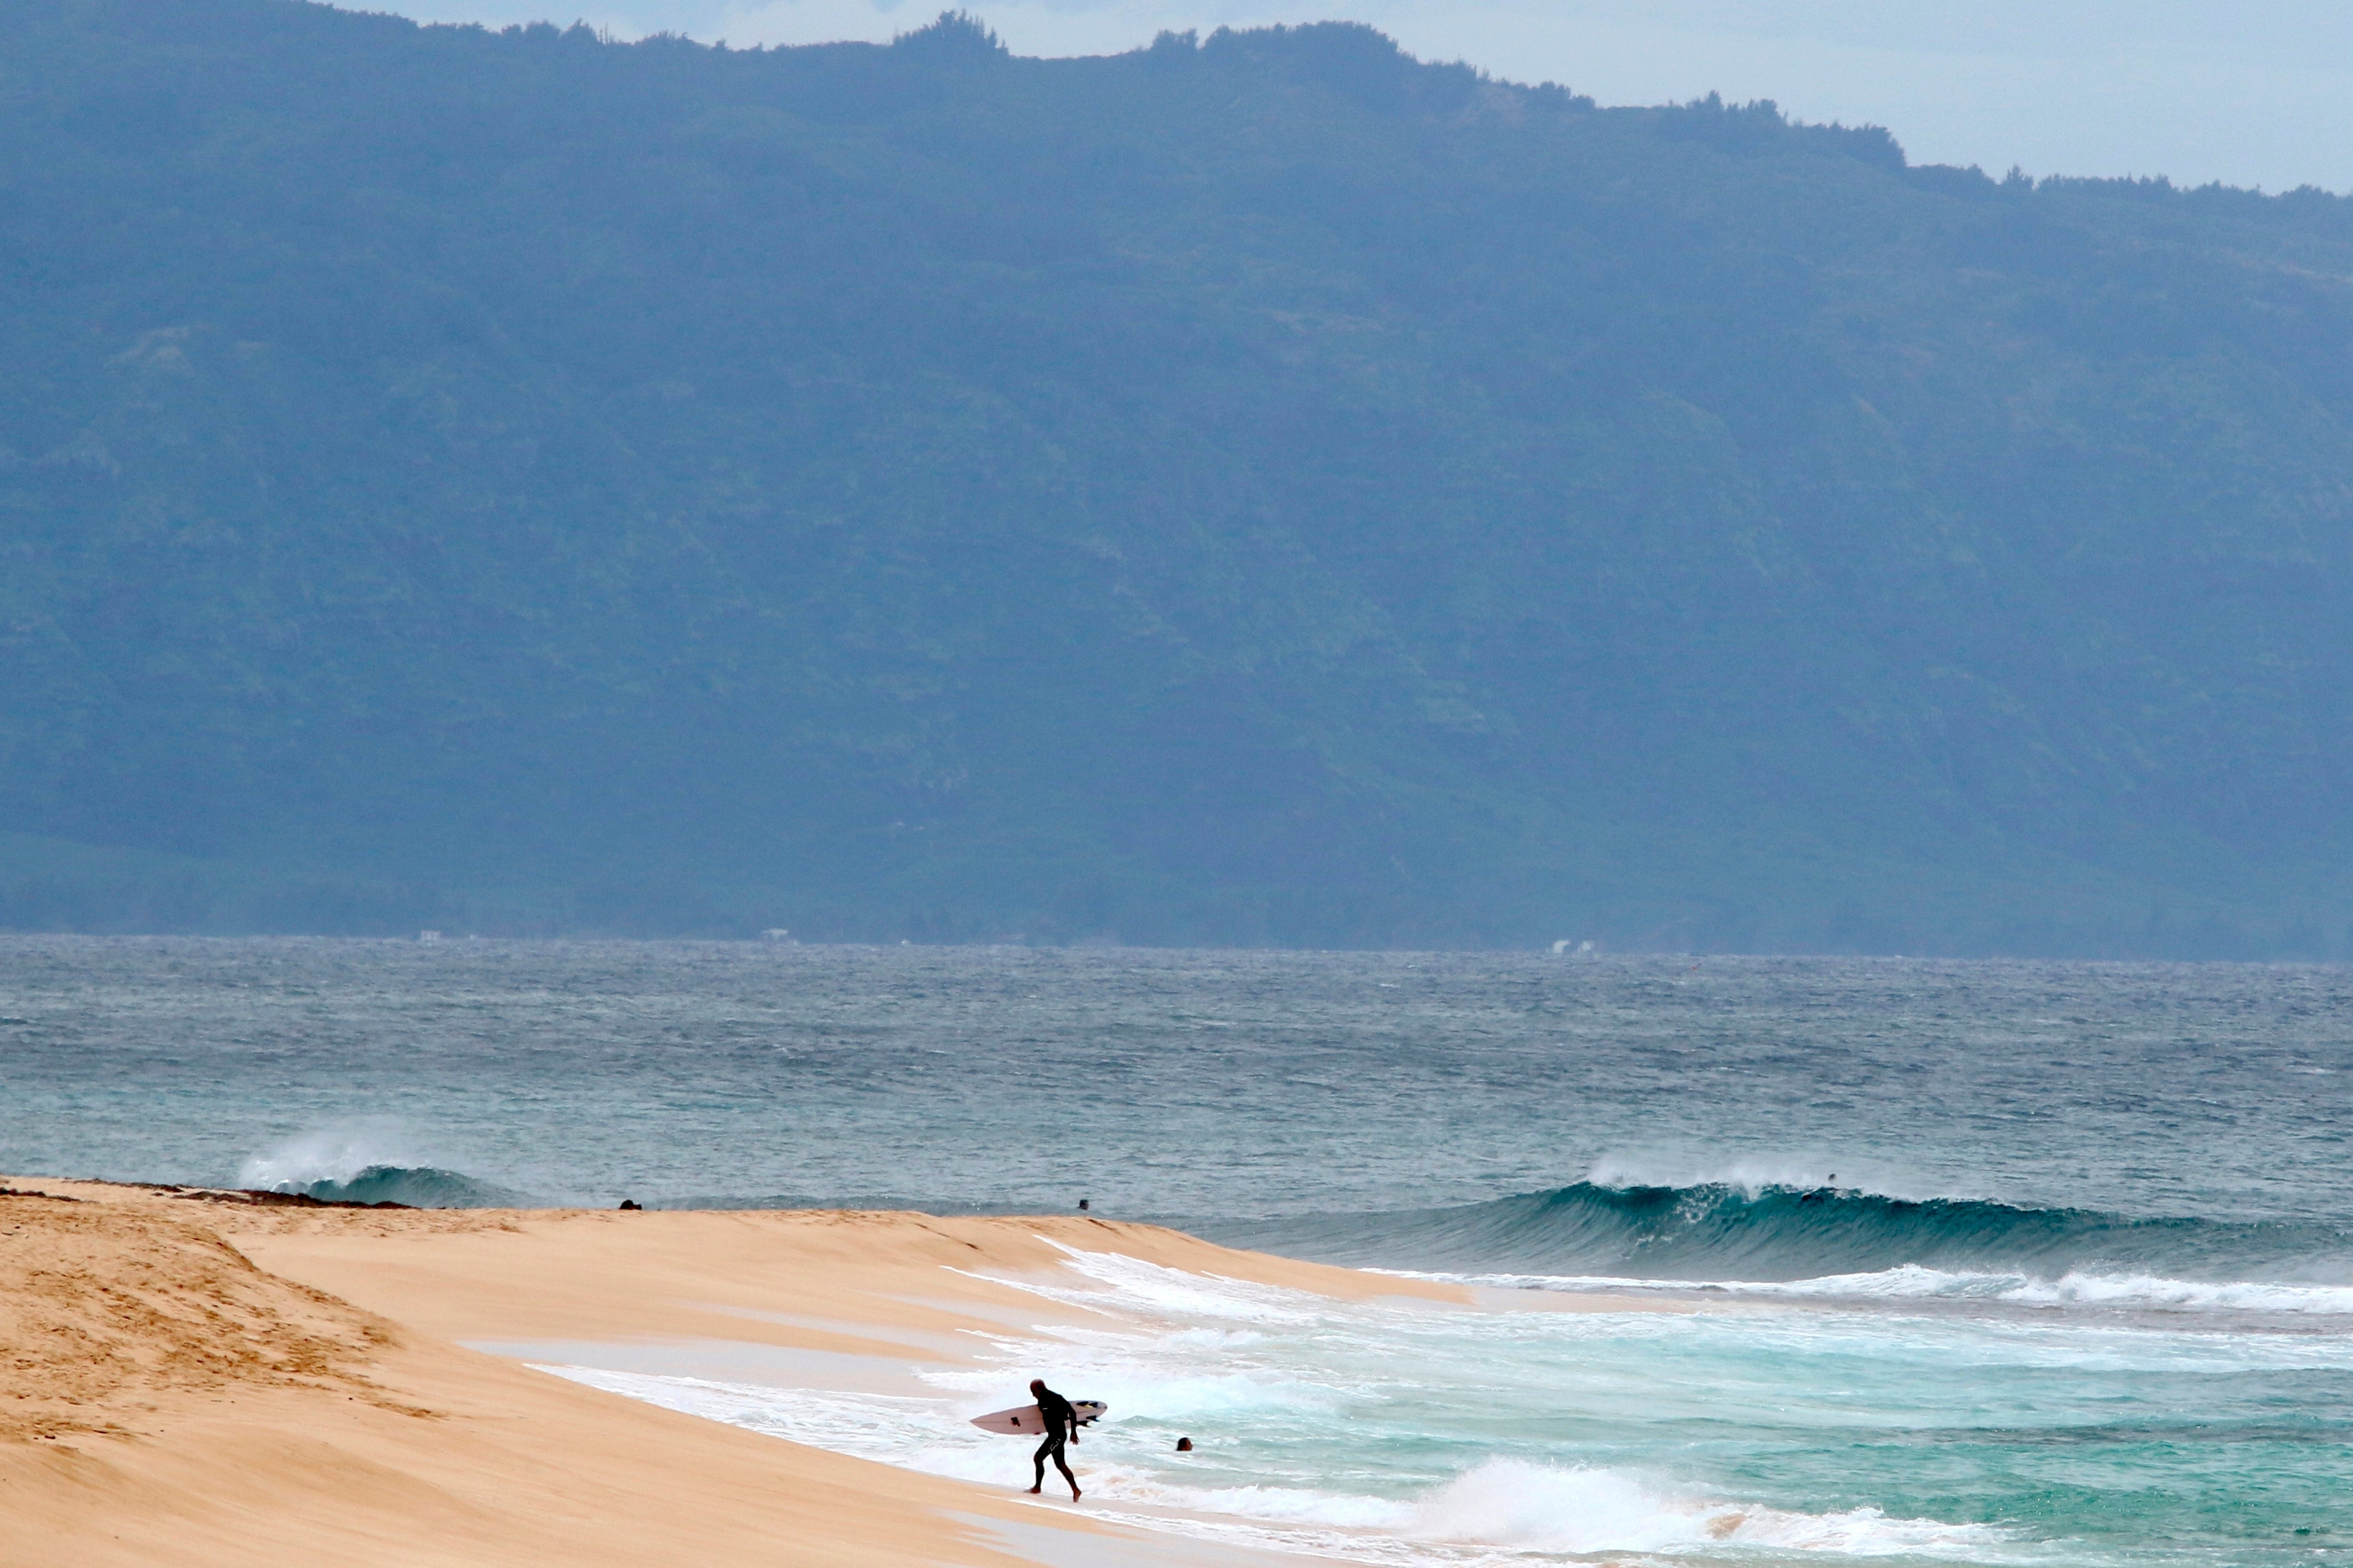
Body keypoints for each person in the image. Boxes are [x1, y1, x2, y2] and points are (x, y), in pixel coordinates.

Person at [1025, 1377, 1082, 1499]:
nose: (1033, 1395)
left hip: (1058, 1436)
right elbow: (1048, 1418)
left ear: (1041, 1389)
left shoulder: (1055, 1398)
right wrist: (1038, 1430)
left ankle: (1037, 1488)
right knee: (1060, 1464)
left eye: (1034, 1392)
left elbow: (1072, 1412)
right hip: (1053, 1435)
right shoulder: (1041, 1402)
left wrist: (1073, 1433)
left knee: (1038, 1458)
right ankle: (1076, 1490)